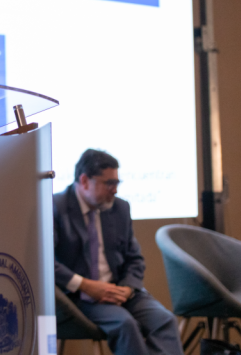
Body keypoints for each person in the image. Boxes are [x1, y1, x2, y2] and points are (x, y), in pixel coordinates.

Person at [53, 149, 183, 355]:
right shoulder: (56, 207)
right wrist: (86, 285)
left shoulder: (119, 208)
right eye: (109, 183)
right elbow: (46, 263)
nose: (115, 190)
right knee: (125, 325)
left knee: (164, 320)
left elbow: (135, 259)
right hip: (79, 296)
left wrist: (128, 288)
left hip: (121, 290)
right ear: (85, 181)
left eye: (117, 183)